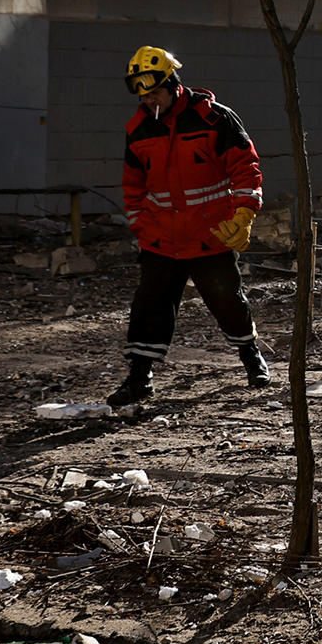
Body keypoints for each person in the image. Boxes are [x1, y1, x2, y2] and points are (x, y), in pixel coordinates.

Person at [110, 46, 273, 407]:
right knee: (149, 307)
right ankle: (139, 379)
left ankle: (251, 358)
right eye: (143, 95)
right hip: (160, 238)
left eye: (155, 92)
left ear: (173, 85)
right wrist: (139, 225)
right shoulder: (138, 129)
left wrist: (244, 215)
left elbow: (246, 169)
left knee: (227, 300)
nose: (149, 100)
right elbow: (133, 185)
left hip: (209, 234)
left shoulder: (215, 119)